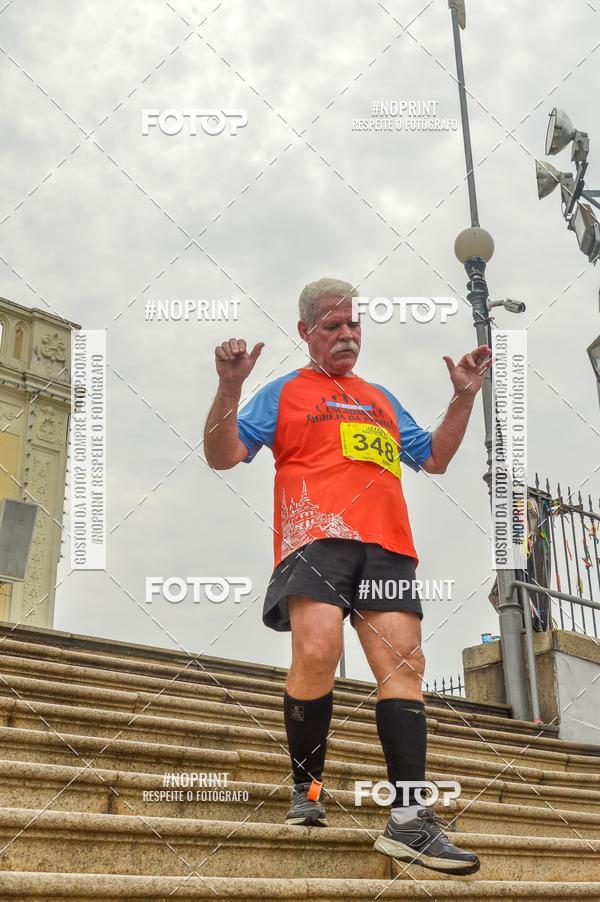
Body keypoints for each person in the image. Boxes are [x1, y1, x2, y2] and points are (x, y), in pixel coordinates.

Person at [204, 277, 490, 875]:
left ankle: (410, 820)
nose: (346, 335)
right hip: (315, 537)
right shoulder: (283, 393)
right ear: (306, 332)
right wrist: (230, 388)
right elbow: (223, 453)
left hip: (386, 546)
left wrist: (463, 398)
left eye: (354, 324)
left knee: (406, 665)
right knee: (317, 649)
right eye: (332, 326)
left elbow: (434, 457)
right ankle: (307, 792)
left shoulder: (381, 399)